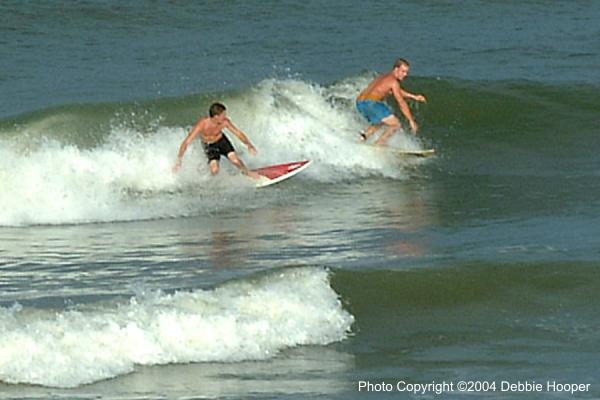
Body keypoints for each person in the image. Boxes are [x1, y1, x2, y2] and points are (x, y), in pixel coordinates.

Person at [173, 102, 260, 178]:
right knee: (214, 170)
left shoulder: (225, 122)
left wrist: (249, 145)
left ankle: (247, 172)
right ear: (216, 116)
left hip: (222, 141)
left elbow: (238, 133)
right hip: (209, 146)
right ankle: (216, 183)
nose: (225, 117)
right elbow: (186, 142)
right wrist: (179, 160)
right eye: (223, 115)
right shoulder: (202, 124)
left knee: (235, 160)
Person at [356, 58, 427, 145]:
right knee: (395, 124)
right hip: (372, 103)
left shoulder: (384, 77)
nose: (405, 75)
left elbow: (396, 91)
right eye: (403, 71)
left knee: (380, 121)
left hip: (360, 103)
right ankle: (379, 144)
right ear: (396, 69)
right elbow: (401, 102)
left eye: (407, 72)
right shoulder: (393, 82)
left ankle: (363, 138)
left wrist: (414, 96)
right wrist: (411, 120)